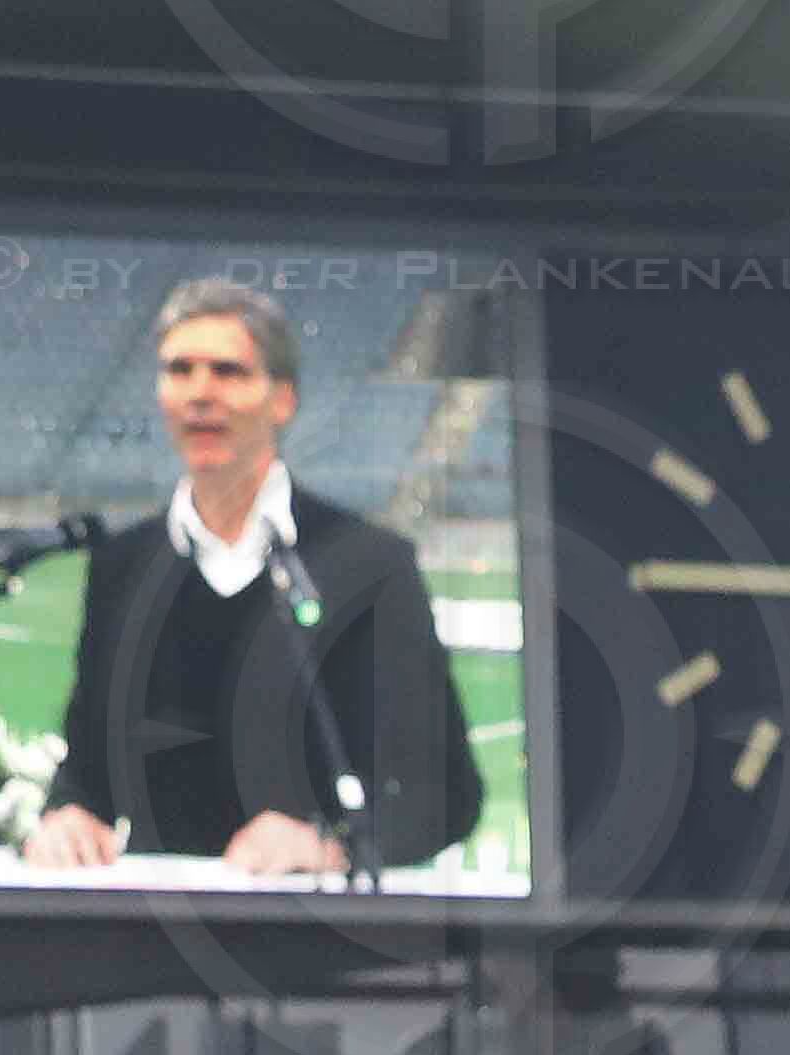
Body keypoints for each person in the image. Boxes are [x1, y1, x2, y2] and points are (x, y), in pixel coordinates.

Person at [33, 278, 480, 880]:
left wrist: (329, 845)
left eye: (228, 372)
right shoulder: (123, 567)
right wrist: (67, 813)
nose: (200, 393)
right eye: (179, 370)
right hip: (149, 935)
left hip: (315, 944)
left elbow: (445, 798)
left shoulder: (371, 565)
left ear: (283, 400)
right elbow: (89, 767)